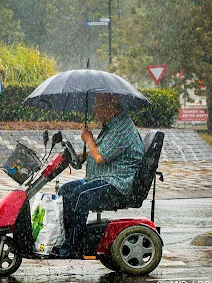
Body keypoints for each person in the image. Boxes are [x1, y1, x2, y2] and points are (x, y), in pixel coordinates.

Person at [53, 92, 144, 258]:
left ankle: (74, 246)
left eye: (98, 108)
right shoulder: (112, 125)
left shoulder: (121, 128)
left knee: (80, 194)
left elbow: (100, 157)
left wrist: (89, 139)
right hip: (102, 178)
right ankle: (68, 238)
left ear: (110, 108)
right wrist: (81, 155)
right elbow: (101, 151)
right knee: (66, 190)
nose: (95, 112)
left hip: (117, 183)